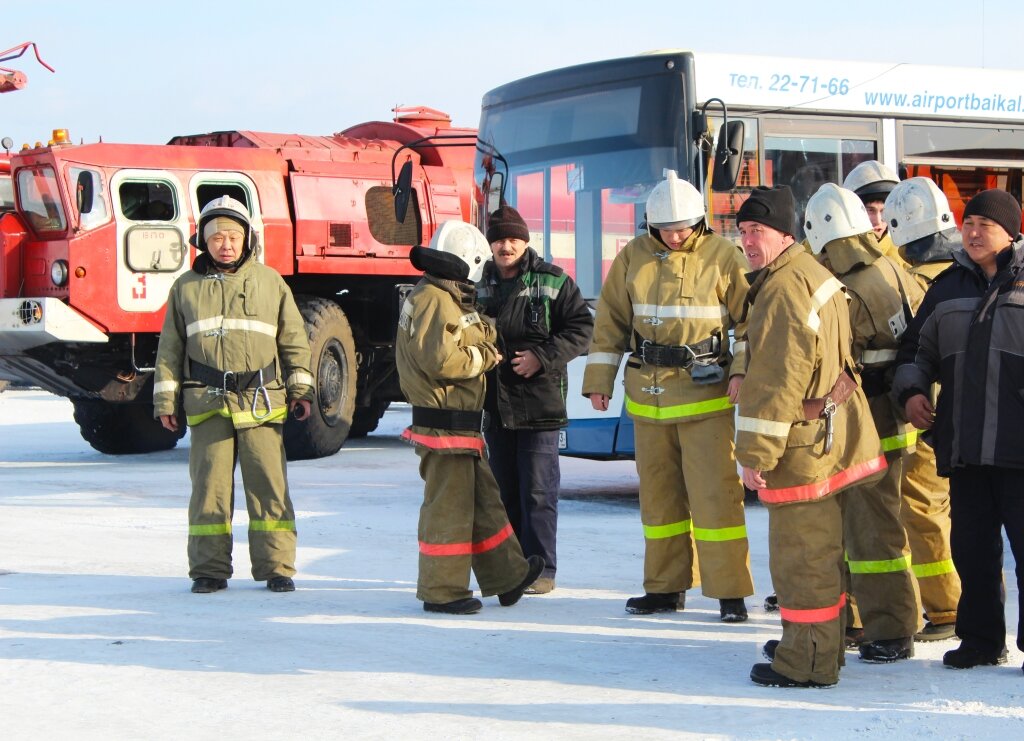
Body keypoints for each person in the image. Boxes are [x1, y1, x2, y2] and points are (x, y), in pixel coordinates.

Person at [582, 170, 754, 622]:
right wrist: (599, 380)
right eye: (664, 228)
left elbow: (750, 324)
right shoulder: (632, 258)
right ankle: (664, 588)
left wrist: (740, 371)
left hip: (706, 400)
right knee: (659, 501)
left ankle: (730, 592)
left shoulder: (724, 257)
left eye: (682, 227)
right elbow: (611, 323)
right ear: (649, 224)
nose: (674, 236)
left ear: (698, 221)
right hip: (647, 398)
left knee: (716, 499)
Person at [733, 185, 886, 688]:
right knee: (822, 551)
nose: (749, 242)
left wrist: (754, 453)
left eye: (758, 231)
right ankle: (820, 645)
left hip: (799, 447)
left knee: (803, 558)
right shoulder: (811, 273)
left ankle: (807, 662)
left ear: (784, 233)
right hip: (829, 436)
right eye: (742, 232)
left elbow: (778, 379)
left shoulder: (782, 288)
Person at [153, 195, 314, 594]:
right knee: (209, 490)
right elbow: (169, 350)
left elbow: (294, 340)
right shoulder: (184, 288)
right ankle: (209, 570)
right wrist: (165, 401)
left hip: (262, 402)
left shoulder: (271, 282)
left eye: (233, 236)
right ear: (203, 242)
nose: (225, 244)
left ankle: (277, 567)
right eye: (216, 237)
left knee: (270, 488)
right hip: (208, 404)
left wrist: (301, 388)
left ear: (247, 239)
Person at [892, 188, 1024, 671]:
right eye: (967, 223)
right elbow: (915, 352)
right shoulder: (947, 287)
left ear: (1010, 232)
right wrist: (912, 392)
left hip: (1018, 449)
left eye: (983, 225)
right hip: (965, 447)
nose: (971, 233)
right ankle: (981, 640)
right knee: (972, 552)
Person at [395, 219, 544, 615]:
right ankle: (442, 590)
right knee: (450, 508)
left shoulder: (447, 296)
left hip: (459, 424)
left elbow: (466, 334)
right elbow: (441, 358)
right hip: (443, 424)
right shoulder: (432, 299)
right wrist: (486, 358)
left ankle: (508, 577)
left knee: (484, 503)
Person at [804, 183, 922, 663]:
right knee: (869, 525)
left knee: (870, 530)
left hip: (863, 423)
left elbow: (831, 356)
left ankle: (889, 628)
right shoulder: (891, 266)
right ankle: (869, 623)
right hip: (889, 417)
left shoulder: (847, 284)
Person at [477, 205, 593, 595]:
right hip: (496, 405)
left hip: (540, 406)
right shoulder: (478, 283)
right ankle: (512, 569)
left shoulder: (553, 280)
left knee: (538, 492)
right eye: (498, 239)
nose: (505, 246)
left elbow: (582, 328)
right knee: (505, 492)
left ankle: (542, 570)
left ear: (526, 241)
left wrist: (541, 358)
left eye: (512, 238)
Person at [883, 177, 963, 642]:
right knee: (941, 510)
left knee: (924, 508)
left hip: (923, 415)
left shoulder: (916, 280)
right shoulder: (963, 271)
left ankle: (949, 607)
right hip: (945, 412)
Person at [843, 160, 909, 269]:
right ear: (851, 209)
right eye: (870, 210)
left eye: (883, 211)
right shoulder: (828, 252)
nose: (878, 221)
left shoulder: (902, 259)